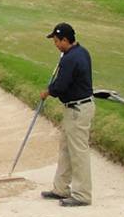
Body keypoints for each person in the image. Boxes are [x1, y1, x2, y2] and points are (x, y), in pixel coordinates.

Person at [39, 22, 94, 207]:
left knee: (78, 152)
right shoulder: (80, 52)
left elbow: (61, 85)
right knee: (66, 149)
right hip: (75, 108)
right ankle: (60, 189)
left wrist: (48, 91)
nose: (55, 44)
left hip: (78, 110)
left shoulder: (69, 59)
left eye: (56, 40)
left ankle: (82, 195)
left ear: (64, 40)